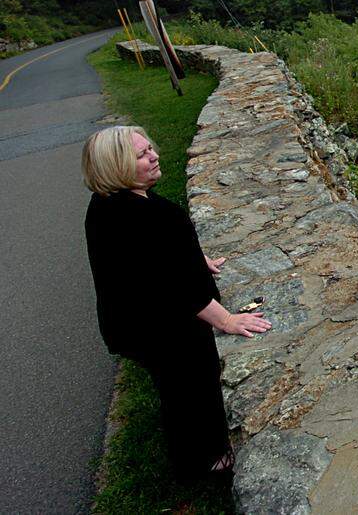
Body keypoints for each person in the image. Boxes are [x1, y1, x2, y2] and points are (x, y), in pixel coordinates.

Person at [82, 125, 271, 479]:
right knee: (189, 383)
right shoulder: (135, 215)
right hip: (156, 325)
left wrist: (197, 260)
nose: (153, 156)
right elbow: (174, 285)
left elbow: (157, 255)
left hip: (136, 319)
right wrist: (227, 320)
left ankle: (198, 451)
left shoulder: (113, 203)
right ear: (115, 166)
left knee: (180, 382)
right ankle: (204, 460)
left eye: (149, 147)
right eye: (140, 155)